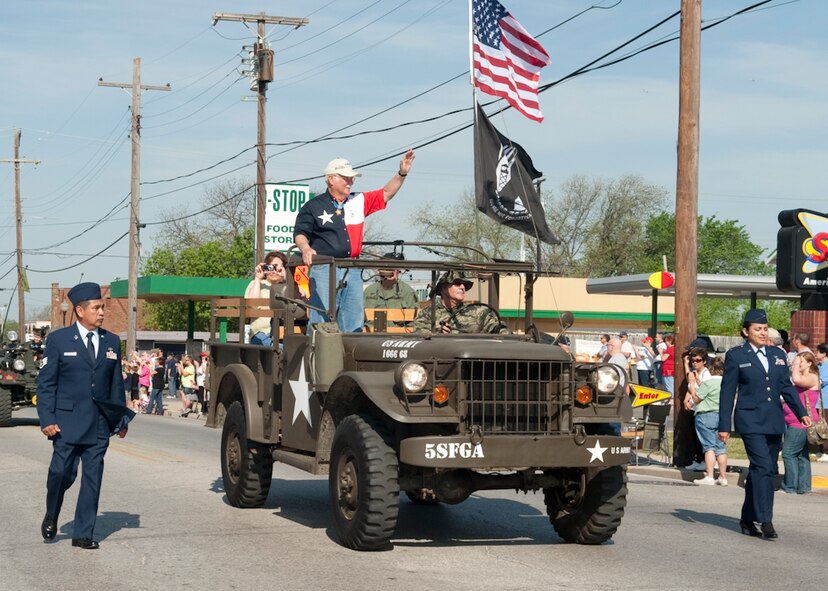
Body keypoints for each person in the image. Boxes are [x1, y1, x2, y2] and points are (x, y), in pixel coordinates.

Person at [36, 282, 131, 550]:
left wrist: (121, 418)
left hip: (99, 424)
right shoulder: (58, 340)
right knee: (60, 473)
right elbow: (46, 385)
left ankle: (83, 534)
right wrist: (47, 419)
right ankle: (52, 512)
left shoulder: (111, 341)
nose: (101, 312)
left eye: (102, 307)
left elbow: (115, 385)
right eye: (96, 307)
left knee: (92, 478)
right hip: (65, 423)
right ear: (79, 310)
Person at [293, 150, 416, 333]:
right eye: (346, 178)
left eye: (352, 178)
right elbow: (300, 233)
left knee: (354, 319)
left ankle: (349, 359)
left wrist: (402, 173)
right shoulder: (313, 206)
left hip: (353, 268)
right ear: (331, 179)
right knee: (322, 319)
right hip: (325, 268)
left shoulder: (358, 200)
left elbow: (386, 193)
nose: (350, 181)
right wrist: (305, 248)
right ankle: (318, 357)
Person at [717, 309, 812, 539]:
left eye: (764, 329)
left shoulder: (776, 354)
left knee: (764, 470)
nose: (762, 333)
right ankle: (765, 518)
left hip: (773, 420)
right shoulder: (737, 355)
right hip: (749, 420)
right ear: (745, 331)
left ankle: (748, 517)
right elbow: (727, 392)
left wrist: (801, 412)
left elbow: (786, 386)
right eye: (757, 329)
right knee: (763, 468)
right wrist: (723, 425)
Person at [412, 271, 506, 334]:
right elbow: (419, 335)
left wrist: (504, 333)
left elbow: (497, 327)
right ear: (443, 288)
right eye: (457, 284)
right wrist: (438, 333)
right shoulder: (429, 313)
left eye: (464, 284)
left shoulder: (477, 311)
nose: (462, 287)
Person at [780, 351, 820, 494]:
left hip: (801, 422)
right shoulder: (805, 377)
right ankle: (803, 487)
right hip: (794, 421)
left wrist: (795, 363)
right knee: (801, 455)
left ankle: (789, 486)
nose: (797, 364)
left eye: (801, 362)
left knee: (788, 453)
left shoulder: (812, 377)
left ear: (809, 363)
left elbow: (796, 379)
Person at [687, 357, 728, 486]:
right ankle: (722, 476)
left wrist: (692, 384)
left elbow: (696, 398)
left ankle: (710, 476)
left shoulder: (708, 383)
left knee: (709, 447)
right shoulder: (726, 383)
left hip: (706, 414)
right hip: (721, 416)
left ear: (710, 369)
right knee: (720, 448)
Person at [363, 254, 419, 330]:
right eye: (386, 268)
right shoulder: (369, 291)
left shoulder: (408, 293)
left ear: (398, 271)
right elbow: (360, 319)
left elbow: (413, 323)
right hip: (372, 337)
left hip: (398, 338)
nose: (388, 271)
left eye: (392, 268)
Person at [245, 251, 288, 346]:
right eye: (269, 267)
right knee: (281, 348)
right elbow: (252, 305)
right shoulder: (257, 284)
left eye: (276, 267)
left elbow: (301, 296)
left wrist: (285, 276)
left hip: (286, 333)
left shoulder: (288, 286)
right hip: (262, 333)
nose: (273, 271)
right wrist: (258, 278)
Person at [815, 342, 828, 462]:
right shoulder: (819, 365)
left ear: (824, 353)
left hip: (826, 401)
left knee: (826, 426)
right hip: (818, 401)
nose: (816, 354)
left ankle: (826, 451)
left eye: (818, 351)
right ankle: (820, 449)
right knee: (819, 426)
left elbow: (821, 381)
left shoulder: (827, 366)